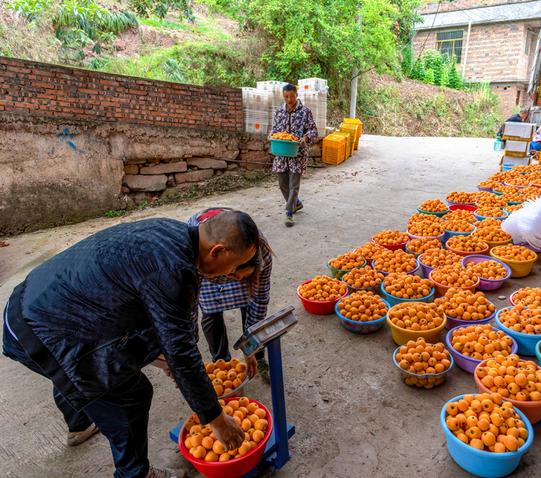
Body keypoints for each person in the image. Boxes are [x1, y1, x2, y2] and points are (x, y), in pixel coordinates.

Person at [2, 211, 265, 478]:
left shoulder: (171, 232)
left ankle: (79, 425)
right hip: (40, 332)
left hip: (26, 306)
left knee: (80, 370)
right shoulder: (174, 269)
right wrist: (217, 420)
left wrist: (160, 359)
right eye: (234, 266)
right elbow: (182, 352)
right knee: (130, 395)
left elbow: (140, 312)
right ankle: (134, 473)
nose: (232, 274)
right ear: (217, 251)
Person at [187, 208, 273, 381]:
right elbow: (188, 305)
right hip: (209, 264)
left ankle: (258, 356)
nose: (234, 277)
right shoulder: (196, 252)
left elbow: (260, 301)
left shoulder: (261, 255)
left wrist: (250, 346)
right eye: (231, 273)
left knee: (249, 309)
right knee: (211, 314)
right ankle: (221, 362)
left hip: (227, 258)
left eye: (241, 277)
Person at [271, 83, 319, 227]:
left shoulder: (305, 112)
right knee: (282, 184)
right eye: (286, 96)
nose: (289, 99)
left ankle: (289, 213)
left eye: (292, 96)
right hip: (281, 153)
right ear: (283, 96)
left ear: (296, 95)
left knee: (293, 185)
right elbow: (274, 130)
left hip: (298, 153)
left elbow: (313, 131)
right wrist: (272, 136)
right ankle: (296, 203)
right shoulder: (279, 111)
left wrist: (305, 138)